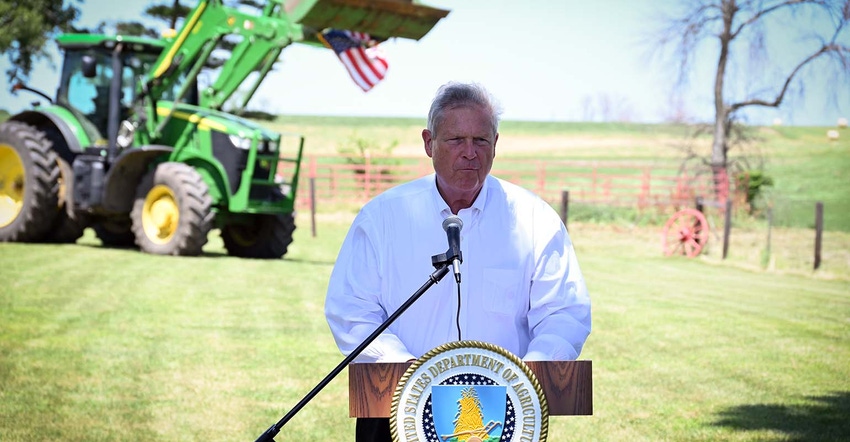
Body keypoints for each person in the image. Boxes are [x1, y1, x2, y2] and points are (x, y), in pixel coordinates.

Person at [324, 82, 592, 441]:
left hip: (502, 414)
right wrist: (414, 378)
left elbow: (564, 311)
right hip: (396, 408)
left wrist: (524, 376)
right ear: (428, 143)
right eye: (456, 141)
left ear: (496, 144)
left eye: (481, 141)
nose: (470, 153)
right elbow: (351, 310)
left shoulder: (534, 219)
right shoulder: (382, 218)